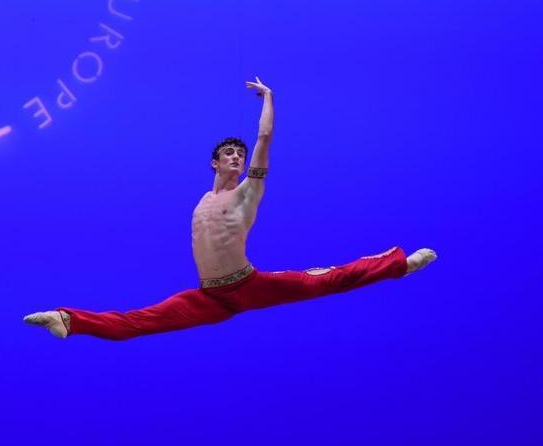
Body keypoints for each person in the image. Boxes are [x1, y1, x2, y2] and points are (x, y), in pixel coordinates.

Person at [24, 76, 437, 341]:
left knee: (325, 279)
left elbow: (264, 140)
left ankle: (401, 263)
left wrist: (269, 98)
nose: (237, 158)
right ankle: (67, 320)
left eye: (240, 154)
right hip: (210, 297)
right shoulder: (202, 201)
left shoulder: (246, 194)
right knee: (137, 322)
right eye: (229, 153)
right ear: (214, 163)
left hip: (248, 285)